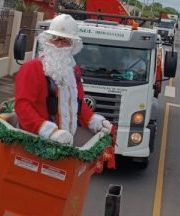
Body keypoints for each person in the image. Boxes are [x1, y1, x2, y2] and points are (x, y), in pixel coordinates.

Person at [15, 14, 112, 145]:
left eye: (65, 41)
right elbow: (23, 107)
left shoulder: (74, 70)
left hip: (66, 142)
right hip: (37, 142)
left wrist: (95, 121)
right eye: (55, 39)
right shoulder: (32, 68)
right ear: (47, 40)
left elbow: (78, 104)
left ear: (73, 45)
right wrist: (50, 132)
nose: (59, 44)